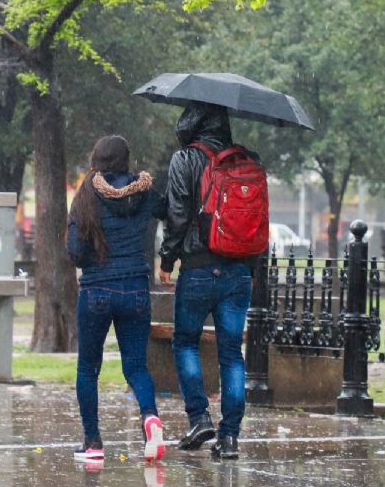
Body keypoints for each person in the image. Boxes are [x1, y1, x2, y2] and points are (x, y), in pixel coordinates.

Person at [158, 102, 257, 459]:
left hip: (198, 268)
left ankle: (199, 417)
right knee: (231, 355)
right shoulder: (249, 161)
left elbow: (178, 214)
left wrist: (167, 257)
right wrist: (251, 269)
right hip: (238, 271)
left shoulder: (185, 159)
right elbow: (256, 220)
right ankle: (230, 437)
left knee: (185, 343)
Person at [67, 135, 167, 463]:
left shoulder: (85, 195)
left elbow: (76, 253)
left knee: (88, 368)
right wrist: (168, 257)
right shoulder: (145, 191)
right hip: (136, 288)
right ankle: (150, 417)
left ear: (97, 158)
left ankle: (93, 442)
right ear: (126, 159)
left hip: (96, 289)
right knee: (137, 365)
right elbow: (170, 213)